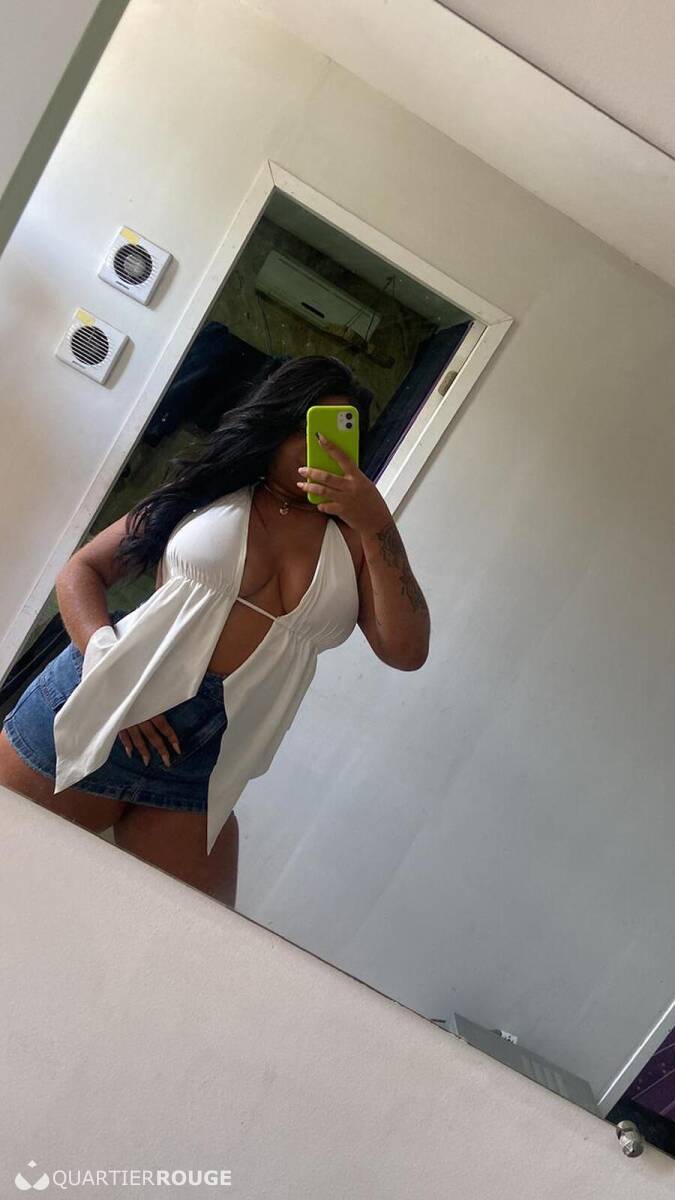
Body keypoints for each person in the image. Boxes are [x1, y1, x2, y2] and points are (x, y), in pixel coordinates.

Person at [0, 355, 430, 905]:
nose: (322, 449)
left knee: (184, 938)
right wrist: (108, 665)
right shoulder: (210, 491)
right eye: (308, 430)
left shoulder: (358, 541)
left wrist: (377, 522)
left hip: (209, 757)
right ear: (275, 426)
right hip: (108, 698)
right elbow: (81, 571)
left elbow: (406, 650)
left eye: (338, 436)